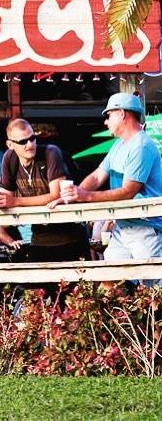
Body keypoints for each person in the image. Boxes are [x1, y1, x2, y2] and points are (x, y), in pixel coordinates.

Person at [55, 93, 162, 286]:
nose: (105, 122)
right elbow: (97, 176)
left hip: (146, 227)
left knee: (152, 290)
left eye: (108, 115)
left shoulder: (141, 146)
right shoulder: (119, 145)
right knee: (108, 280)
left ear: (122, 113)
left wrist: (85, 196)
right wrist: (71, 195)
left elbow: (128, 191)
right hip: (123, 226)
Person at [0, 118, 90, 265]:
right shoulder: (9, 158)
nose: (30, 144)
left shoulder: (51, 152)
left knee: (77, 279)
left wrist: (16, 201)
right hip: (39, 237)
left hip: (71, 235)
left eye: (32, 138)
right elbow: (6, 199)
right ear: (10, 144)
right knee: (32, 278)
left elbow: (55, 195)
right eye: (23, 141)